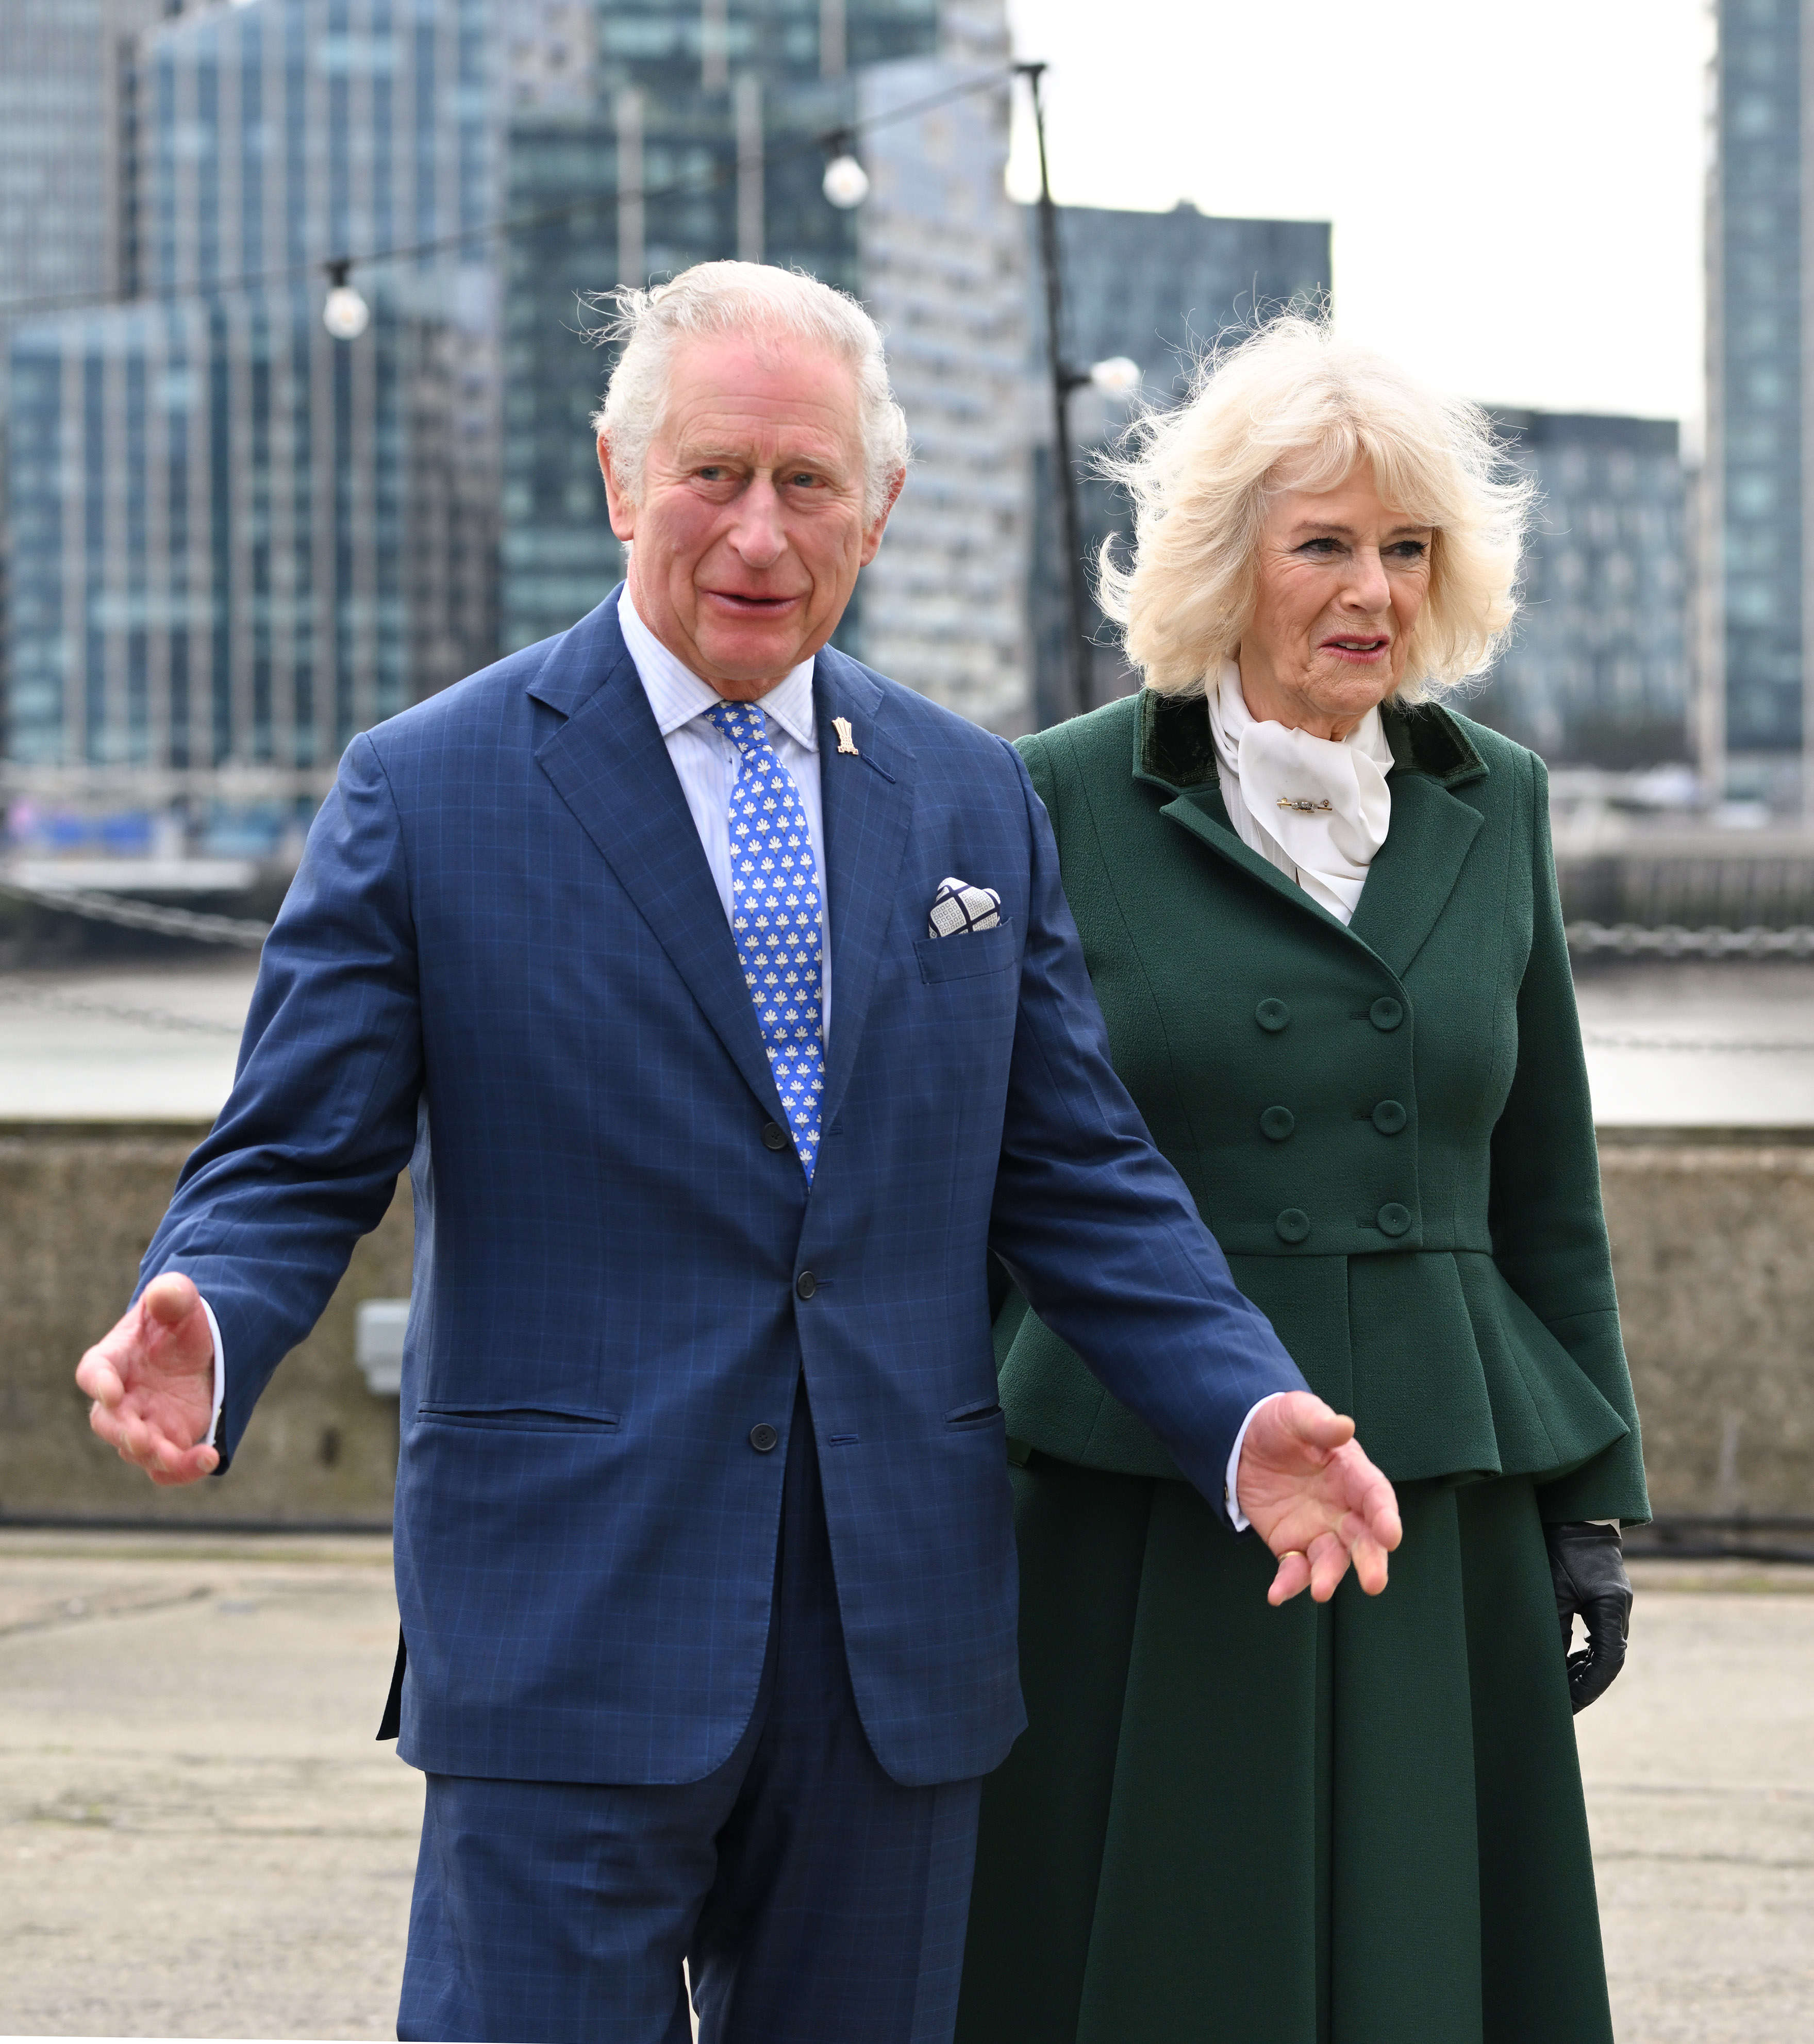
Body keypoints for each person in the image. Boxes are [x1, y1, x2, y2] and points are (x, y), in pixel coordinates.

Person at [72, 262, 1404, 2044]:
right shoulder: (428, 786)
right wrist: (210, 1320)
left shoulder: (963, 795)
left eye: (807, 483)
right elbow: (294, 1158)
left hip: (893, 1643)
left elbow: (1078, 1172)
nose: (760, 533)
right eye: (713, 476)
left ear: (882, 505)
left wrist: (1245, 1412)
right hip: (566, 1620)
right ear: (620, 483)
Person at [954, 317, 1645, 2043]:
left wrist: (1587, 1505)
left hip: (1439, 1483)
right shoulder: (1047, 798)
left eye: (1406, 549)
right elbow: (972, 1186)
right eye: (1322, 544)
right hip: (1139, 1484)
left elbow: (1544, 1181)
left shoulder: (1504, 801)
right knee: (1168, 1941)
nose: (1373, 592)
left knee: (1428, 1949)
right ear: (1223, 561)